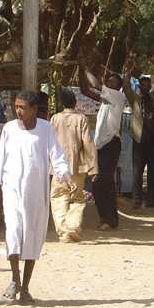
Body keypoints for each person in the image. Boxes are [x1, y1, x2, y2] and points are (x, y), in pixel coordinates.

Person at [0, 90, 73, 303]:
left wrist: (67, 177)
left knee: (32, 238)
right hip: (12, 191)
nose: (18, 111)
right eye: (16, 106)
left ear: (35, 109)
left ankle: (24, 287)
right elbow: (1, 162)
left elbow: (57, 156)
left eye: (23, 107)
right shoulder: (9, 129)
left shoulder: (46, 129)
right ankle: (15, 280)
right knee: (14, 233)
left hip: (36, 194)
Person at [79, 64, 127, 230]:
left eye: (113, 82)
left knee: (102, 181)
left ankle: (108, 219)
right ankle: (108, 218)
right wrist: (80, 70)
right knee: (101, 183)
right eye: (109, 82)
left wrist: (84, 67)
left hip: (111, 143)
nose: (110, 84)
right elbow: (86, 90)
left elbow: (95, 85)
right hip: (101, 145)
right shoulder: (107, 100)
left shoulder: (118, 97)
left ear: (118, 86)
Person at [50, 88, 98, 243]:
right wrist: (93, 167)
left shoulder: (55, 119)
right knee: (77, 198)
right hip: (77, 167)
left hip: (58, 167)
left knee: (58, 198)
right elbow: (88, 142)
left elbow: (49, 143)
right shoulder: (81, 119)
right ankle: (72, 227)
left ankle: (64, 231)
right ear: (75, 102)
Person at [123, 59, 154, 209]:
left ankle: (152, 201)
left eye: (148, 84)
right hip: (139, 139)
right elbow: (126, 84)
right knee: (137, 172)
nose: (146, 86)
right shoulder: (134, 99)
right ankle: (137, 200)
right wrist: (130, 68)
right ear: (140, 86)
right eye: (143, 84)